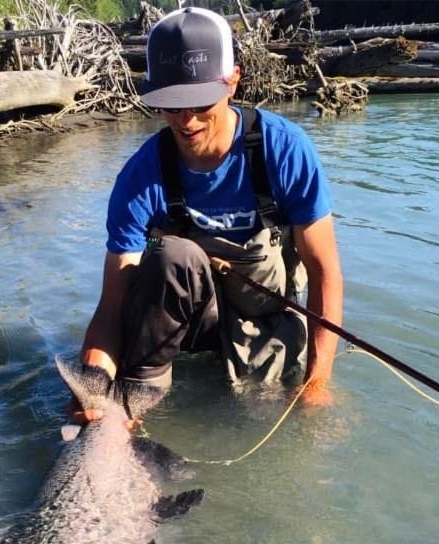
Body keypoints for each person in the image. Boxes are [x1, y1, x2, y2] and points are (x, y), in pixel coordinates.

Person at [74, 6, 343, 423]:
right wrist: (92, 390)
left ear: (232, 81)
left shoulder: (285, 150)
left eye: (200, 101)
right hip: (186, 324)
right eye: (171, 103)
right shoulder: (140, 174)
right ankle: (136, 400)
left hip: (264, 316)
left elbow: (325, 274)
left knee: (261, 411)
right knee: (169, 256)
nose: (186, 120)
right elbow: (113, 306)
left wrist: (317, 384)